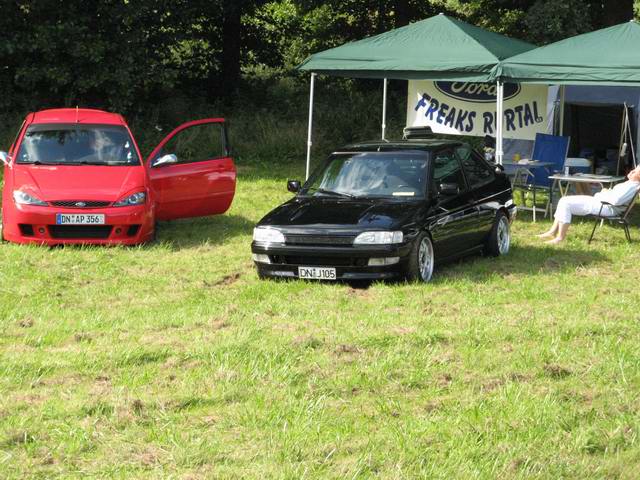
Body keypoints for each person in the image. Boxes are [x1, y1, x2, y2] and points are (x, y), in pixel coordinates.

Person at [538, 166, 640, 244]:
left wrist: (604, 194)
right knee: (563, 200)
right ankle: (552, 231)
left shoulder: (632, 186)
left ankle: (560, 237)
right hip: (601, 203)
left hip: (606, 207)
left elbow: (616, 201)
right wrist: (606, 192)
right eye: (634, 169)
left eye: (635, 171)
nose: (632, 171)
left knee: (566, 203)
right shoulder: (630, 184)